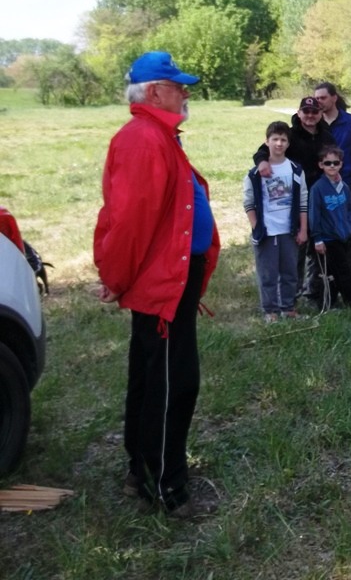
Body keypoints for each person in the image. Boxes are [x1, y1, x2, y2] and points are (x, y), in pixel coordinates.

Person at [94, 51, 220, 518]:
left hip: (169, 283)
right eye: (177, 85)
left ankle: (140, 472)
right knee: (173, 384)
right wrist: (114, 276)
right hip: (161, 286)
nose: (186, 93)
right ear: (152, 92)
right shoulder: (144, 140)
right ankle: (167, 487)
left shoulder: (157, 136)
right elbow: (128, 221)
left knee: (151, 377)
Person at [253, 96, 334, 302]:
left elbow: (333, 157)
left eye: (314, 112)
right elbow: (264, 149)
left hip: (320, 194)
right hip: (295, 196)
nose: (310, 116)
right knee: (297, 244)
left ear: (319, 114)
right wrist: (262, 162)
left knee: (319, 241)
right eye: (305, 112)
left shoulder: (326, 134)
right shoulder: (291, 134)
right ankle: (291, 293)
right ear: (299, 113)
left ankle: (315, 290)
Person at [244, 121, 308, 322]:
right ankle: (270, 311)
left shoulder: (296, 170)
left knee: (290, 272)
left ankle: (288, 307)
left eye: (283, 140)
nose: (279, 144)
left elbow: (303, 202)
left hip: (289, 230)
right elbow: (249, 202)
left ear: (288, 143)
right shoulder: (255, 173)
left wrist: (303, 229)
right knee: (268, 274)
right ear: (267, 142)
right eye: (275, 139)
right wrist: (257, 227)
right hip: (266, 231)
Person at [314, 82, 351, 285]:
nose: (319, 102)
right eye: (316, 98)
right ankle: (329, 273)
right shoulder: (315, 122)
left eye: (323, 98)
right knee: (326, 230)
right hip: (322, 185)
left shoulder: (350, 122)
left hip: (347, 183)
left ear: (334, 98)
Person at [308, 145, 351, 312]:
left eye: (335, 162)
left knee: (332, 272)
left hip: (343, 236)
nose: (332, 166)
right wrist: (317, 238)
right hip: (327, 238)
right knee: (344, 272)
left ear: (341, 164)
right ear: (321, 165)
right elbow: (314, 215)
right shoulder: (318, 188)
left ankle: (328, 304)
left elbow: (350, 209)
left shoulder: (344, 187)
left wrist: (348, 228)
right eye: (327, 163)